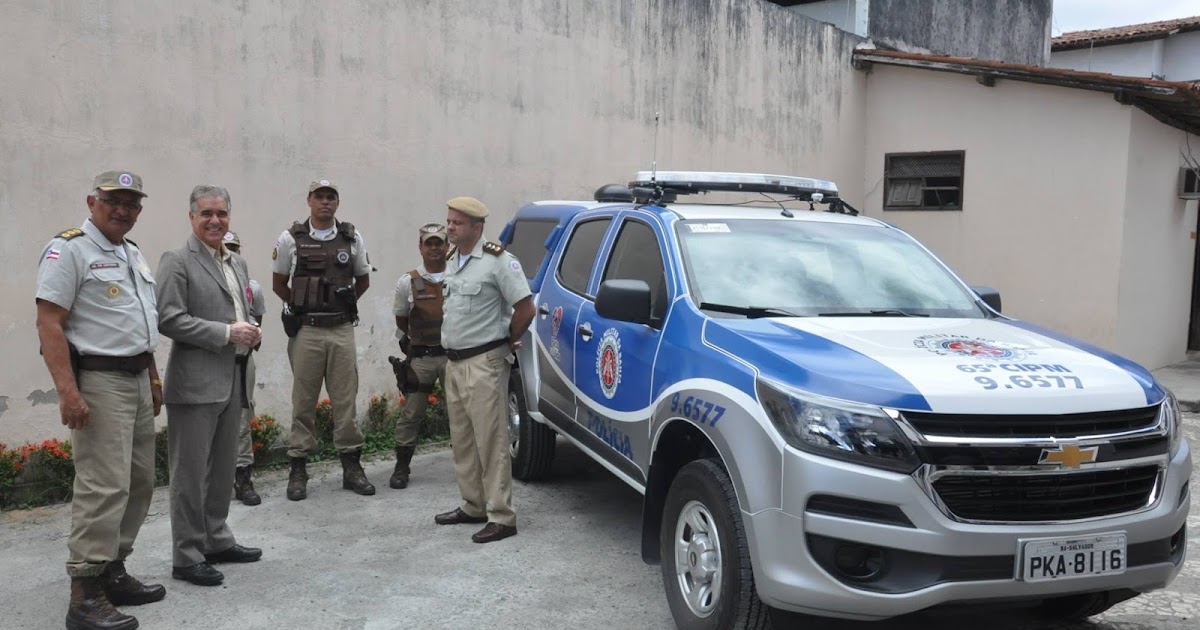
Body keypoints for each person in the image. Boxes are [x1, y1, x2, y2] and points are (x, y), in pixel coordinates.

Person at [36, 170, 165, 630]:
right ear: (92, 201)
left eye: (130, 203)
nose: (122, 209)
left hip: (134, 378)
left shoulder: (130, 253)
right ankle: (84, 594)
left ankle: (113, 568)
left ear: (139, 211)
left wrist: (152, 375)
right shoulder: (68, 249)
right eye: (113, 200)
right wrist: (68, 392)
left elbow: (139, 323)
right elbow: (49, 323)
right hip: (97, 380)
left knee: (140, 480)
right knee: (102, 484)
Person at [157, 185, 263, 587]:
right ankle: (186, 555)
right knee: (189, 474)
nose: (215, 220)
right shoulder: (177, 261)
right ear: (191, 217)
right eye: (206, 214)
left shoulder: (236, 263)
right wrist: (226, 332)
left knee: (221, 470)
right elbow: (169, 319)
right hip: (195, 383)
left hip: (233, 377)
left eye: (221, 213)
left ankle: (216, 539)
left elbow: (244, 310)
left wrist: (249, 330)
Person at [433, 197, 534, 543]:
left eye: (457, 223)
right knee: (462, 440)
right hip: (456, 362)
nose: (449, 228)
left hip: (485, 363)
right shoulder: (452, 260)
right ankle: (473, 504)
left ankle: (502, 516)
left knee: (491, 441)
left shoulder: (499, 262)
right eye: (449, 221)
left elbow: (526, 308)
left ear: (477, 228)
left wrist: (508, 340)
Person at [271, 178, 374, 500]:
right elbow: (278, 283)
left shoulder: (351, 237)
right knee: (304, 401)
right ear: (309, 200)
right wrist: (303, 306)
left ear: (337, 203)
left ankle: (351, 466)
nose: (325, 202)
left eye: (331, 197)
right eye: (320, 197)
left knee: (345, 400)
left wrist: (342, 303)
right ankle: (298, 468)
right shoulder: (291, 238)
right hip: (308, 331)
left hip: (342, 329)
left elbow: (363, 279)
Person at [389, 223, 450, 489]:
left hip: (453, 357)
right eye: (429, 243)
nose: (434, 248)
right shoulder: (407, 282)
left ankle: (471, 466)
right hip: (422, 358)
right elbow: (402, 320)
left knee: (462, 413)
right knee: (411, 413)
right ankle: (402, 467)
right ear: (421, 247)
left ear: (447, 247)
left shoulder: (459, 276)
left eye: (439, 243)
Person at [223, 231, 265, 506]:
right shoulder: (206, 282)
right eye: (227, 248)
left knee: (241, 419)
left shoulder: (252, 286)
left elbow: (256, 317)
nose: (230, 253)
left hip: (242, 361)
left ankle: (243, 477)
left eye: (234, 248)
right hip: (213, 362)